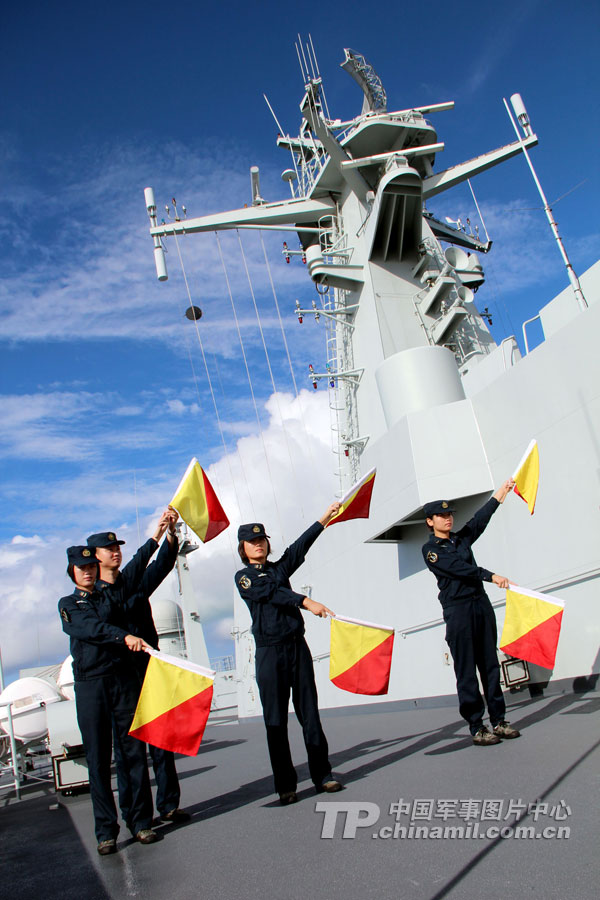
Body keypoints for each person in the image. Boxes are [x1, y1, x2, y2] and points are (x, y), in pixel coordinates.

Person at [235, 505, 343, 805]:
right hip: (270, 653)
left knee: (310, 715)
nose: (258, 544)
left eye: (261, 540)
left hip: (297, 648)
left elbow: (299, 548)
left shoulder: (278, 570)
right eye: (252, 541)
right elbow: (270, 593)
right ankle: (285, 785)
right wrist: (305, 601)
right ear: (243, 548)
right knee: (276, 721)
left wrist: (325, 518)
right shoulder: (244, 578)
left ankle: (323, 775)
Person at [89, 512, 190, 826]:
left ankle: (168, 805)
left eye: (118, 547)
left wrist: (170, 534)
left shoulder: (134, 584)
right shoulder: (94, 598)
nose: (116, 552)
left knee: (161, 738)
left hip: (148, 666)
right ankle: (136, 814)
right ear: (95, 557)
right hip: (120, 674)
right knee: (128, 749)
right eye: (109, 549)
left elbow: (161, 565)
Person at [58, 545, 156, 855]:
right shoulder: (69, 604)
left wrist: (156, 539)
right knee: (98, 759)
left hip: (121, 680)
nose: (87, 572)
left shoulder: (111, 596)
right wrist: (123, 636)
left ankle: (140, 822)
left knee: (133, 753)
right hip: (91, 685)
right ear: (72, 572)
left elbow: (135, 569)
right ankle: (105, 831)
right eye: (81, 568)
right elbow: (89, 627)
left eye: (91, 566)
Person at [421, 481, 521, 746]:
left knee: (490, 665)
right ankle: (477, 726)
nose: (448, 518)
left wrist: (500, 495)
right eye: (441, 515)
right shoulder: (431, 551)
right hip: (458, 611)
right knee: (466, 670)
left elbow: (479, 521)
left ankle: (499, 721)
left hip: (480, 605)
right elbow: (458, 569)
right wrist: (490, 575)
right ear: (430, 521)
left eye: (449, 514)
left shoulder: (460, 539)